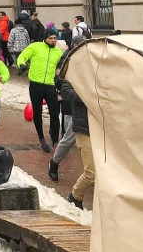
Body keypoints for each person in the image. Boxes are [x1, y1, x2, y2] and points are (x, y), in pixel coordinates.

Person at [16, 32, 63, 152]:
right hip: (36, 85)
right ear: (45, 38)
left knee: (54, 113)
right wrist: (22, 65)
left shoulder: (58, 52)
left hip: (50, 85)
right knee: (37, 113)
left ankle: (55, 140)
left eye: (55, 38)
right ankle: (41, 138)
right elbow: (22, 56)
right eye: (50, 38)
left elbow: (61, 67)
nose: (53, 40)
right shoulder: (35, 47)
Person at [61, 79, 94, 210]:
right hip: (84, 130)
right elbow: (68, 93)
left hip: (100, 132)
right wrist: (91, 93)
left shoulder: (99, 75)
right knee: (91, 173)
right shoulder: (73, 77)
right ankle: (75, 195)